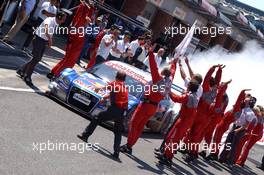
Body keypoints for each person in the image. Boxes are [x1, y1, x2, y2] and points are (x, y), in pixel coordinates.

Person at [119, 48, 177, 155]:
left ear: (162, 73)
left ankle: (128, 145)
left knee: (133, 123)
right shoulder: (169, 81)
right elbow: (173, 72)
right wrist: (175, 63)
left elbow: (153, 65)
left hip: (146, 104)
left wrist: (150, 53)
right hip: (153, 108)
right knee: (140, 127)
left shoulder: (158, 79)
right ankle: (130, 145)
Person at [77, 71, 128, 159]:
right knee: (118, 131)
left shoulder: (115, 83)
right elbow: (115, 93)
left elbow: (107, 87)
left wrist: (98, 89)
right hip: (122, 112)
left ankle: (85, 135)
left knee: (96, 118)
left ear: (116, 77)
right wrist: (105, 98)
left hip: (114, 109)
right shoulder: (124, 87)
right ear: (124, 79)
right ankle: (116, 152)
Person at [184, 64, 224, 162]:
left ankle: (191, 153)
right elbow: (217, 81)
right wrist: (219, 70)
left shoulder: (206, 89)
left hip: (199, 114)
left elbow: (206, 78)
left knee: (192, 134)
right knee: (196, 135)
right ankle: (193, 152)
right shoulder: (215, 91)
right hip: (206, 116)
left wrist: (212, 68)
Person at [155, 80, 200, 166]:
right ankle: (166, 155)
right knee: (173, 138)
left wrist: (169, 91)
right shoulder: (195, 97)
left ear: (190, 87)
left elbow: (177, 99)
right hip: (187, 121)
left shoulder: (188, 96)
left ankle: (168, 157)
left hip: (183, 120)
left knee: (172, 139)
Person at [16, 10, 67, 86]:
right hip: (38, 39)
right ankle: (27, 76)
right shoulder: (49, 20)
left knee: (37, 58)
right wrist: (50, 40)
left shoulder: (56, 23)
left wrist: (49, 40)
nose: (64, 21)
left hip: (43, 41)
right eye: (63, 19)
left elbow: (50, 32)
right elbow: (46, 29)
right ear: (59, 17)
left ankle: (22, 70)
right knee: (36, 58)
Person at [47, 0, 95, 79]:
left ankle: (54, 72)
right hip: (76, 36)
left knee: (69, 59)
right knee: (70, 60)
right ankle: (57, 74)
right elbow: (77, 20)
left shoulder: (87, 8)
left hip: (78, 36)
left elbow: (87, 17)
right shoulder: (83, 7)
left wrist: (91, 9)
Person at [207, 89, 251, 161]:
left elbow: (238, 100)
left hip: (223, 125)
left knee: (217, 139)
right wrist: (244, 95)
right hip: (224, 124)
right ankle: (214, 153)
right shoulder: (238, 110)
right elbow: (239, 101)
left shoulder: (237, 109)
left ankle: (214, 153)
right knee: (216, 139)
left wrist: (242, 92)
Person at [219, 96, 257, 166]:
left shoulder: (250, 112)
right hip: (235, 125)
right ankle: (222, 158)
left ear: (249, 102)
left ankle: (230, 161)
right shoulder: (242, 108)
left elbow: (247, 124)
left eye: (246, 100)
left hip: (241, 128)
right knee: (228, 142)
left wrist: (238, 129)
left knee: (234, 146)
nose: (244, 100)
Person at [199, 81, 230, 159]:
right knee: (208, 134)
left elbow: (219, 106)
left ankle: (196, 150)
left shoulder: (223, 95)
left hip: (214, 116)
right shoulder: (224, 95)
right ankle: (204, 151)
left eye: (220, 86)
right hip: (216, 117)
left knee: (204, 132)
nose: (219, 87)